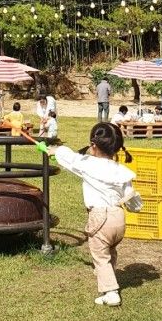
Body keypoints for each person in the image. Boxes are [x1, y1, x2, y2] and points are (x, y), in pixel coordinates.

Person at [49, 123, 138, 307]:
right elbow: (130, 196)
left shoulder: (88, 165)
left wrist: (56, 150)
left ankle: (110, 292)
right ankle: (108, 275)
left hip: (100, 217)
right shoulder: (119, 170)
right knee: (110, 249)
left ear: (94, 145)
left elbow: (71, 159)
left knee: (100, 255)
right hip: (119, 218)